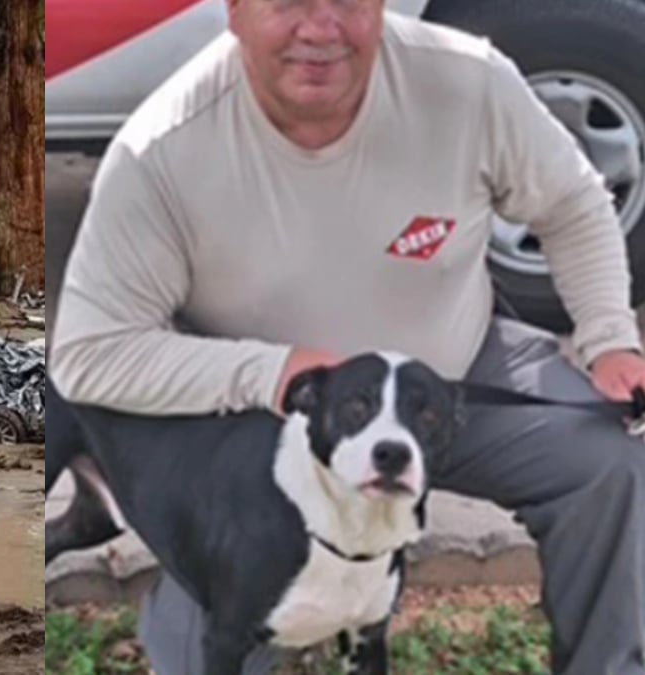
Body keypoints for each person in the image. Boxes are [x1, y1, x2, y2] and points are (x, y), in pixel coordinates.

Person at [49, 0, 645, 673]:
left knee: (607, 456)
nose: (321, 27)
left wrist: (609, 338)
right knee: (208, 635)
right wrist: (273, 370)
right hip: (267, 428)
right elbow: (87, 354)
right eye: (290, 3)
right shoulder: (163, 148)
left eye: (347, 0)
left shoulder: (469, 82)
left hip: (454, 378)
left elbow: (573, 202)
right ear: (236, 12)